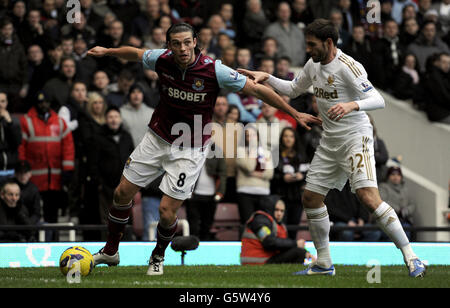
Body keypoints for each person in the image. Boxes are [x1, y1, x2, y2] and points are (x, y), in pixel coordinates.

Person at [87, 22, 320, 275]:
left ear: (195, 41)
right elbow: (135, 53)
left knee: (167, 212)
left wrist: (295, 113)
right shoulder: (161, 59)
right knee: (121, 193)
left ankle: (157, 256)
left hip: (190, 148)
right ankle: (111, 251)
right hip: (156, 138)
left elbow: (256, 89)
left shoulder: (214, 70)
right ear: (169, 46)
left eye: (187, 42)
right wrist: (108, 51)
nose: (183, 48)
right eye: (176, 43)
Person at [238, 19, 426, 277]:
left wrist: (352, 105)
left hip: (355, 137)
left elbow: (378, 99)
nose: (308, 49)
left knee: (367, 197)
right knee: (311, 198)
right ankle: (324, 263)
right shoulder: (313, 64)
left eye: (312, 45)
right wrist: (267, 77)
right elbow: (293, 89)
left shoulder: (349, 66)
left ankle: (412, 257)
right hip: (330, 140)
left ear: (328, 43)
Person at [18, 90, 75, 225]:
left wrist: (68, 169)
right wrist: (22, 164)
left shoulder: (59, 122)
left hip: (55, 177)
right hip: (33, 176)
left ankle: (53, 240)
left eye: (46, 102)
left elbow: (68, 146)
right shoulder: (26, 121)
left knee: (52, 214)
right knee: (33, 211)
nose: (44, 105)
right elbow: (21, 145)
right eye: (41, 102)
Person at [240, 195, 314, 265]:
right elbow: (269, 242)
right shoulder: (260, 220)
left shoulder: (278, 225)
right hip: (257, 261)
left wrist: (305, 252)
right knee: (298, 253)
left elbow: (282, 246)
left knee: (299, 252)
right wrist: (295, 243)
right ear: (269, 208)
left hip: (267, 259)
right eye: (276, 210)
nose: (279, 214)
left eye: (282, 211)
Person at [271, 127, 309, 239]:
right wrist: (283, 178)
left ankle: (292, 251)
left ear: (295, 139)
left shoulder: (301, 154)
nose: (288, 139)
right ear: (281, 138)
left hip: (297, 197)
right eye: (286, 136)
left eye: (291, 136)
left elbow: (310, 172)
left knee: (294, 228)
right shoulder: (275, 155)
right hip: (281, 196)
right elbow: (271, 175)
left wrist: (302, 176)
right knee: (281, 227)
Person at [236, 125, 274, 226]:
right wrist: (253, 151)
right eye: (248, 136)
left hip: (263, 192)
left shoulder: (266, 152)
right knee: (247, 223)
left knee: (263, 224)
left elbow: (270, 174)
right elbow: (249, 167)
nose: (251, 138)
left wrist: (252, 174)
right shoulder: (240, 151)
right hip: (245, 192)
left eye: (253, 135)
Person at [379, 166, 415, 241]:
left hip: (404, 220)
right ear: (388, 176)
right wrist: (398, 210)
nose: (396, 177)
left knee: (406, 231)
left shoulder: (405, 189)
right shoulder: (383, 187)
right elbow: (383, 201)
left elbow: (412, 204)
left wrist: (406, 211)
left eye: (398, 175)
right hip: (388, 220)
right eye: (393, 174)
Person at [0, 92, 22, 181]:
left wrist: (9, 122)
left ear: (7, 103)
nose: (0, 105)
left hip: (11, 168)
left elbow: (18, 142)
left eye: (2, 101)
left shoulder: (14, 122)